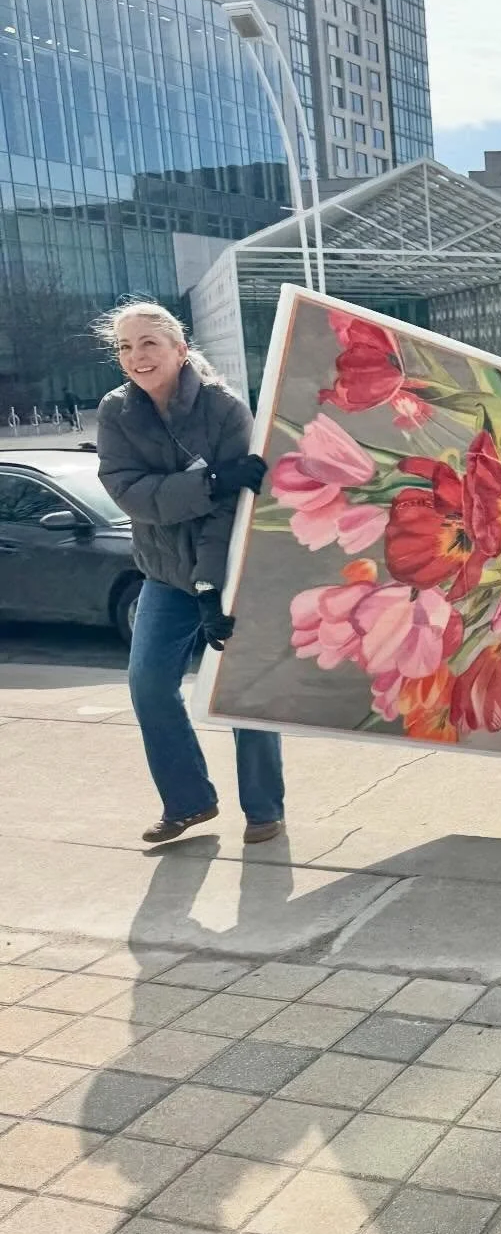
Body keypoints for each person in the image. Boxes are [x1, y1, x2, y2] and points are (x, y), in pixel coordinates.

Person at [95, 301, 285, 846]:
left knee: (245, 692)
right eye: (125, 347)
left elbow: (232, 510)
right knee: (149, 685)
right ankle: (188, 802)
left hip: (229, 567)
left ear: (181, 349)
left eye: (149, 343)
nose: (137, 356)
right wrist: (208, 485)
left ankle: (263, 809)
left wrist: (209, 584)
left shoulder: (225, 410)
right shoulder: (117, 411)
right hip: (161, 572)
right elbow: (132, 495)